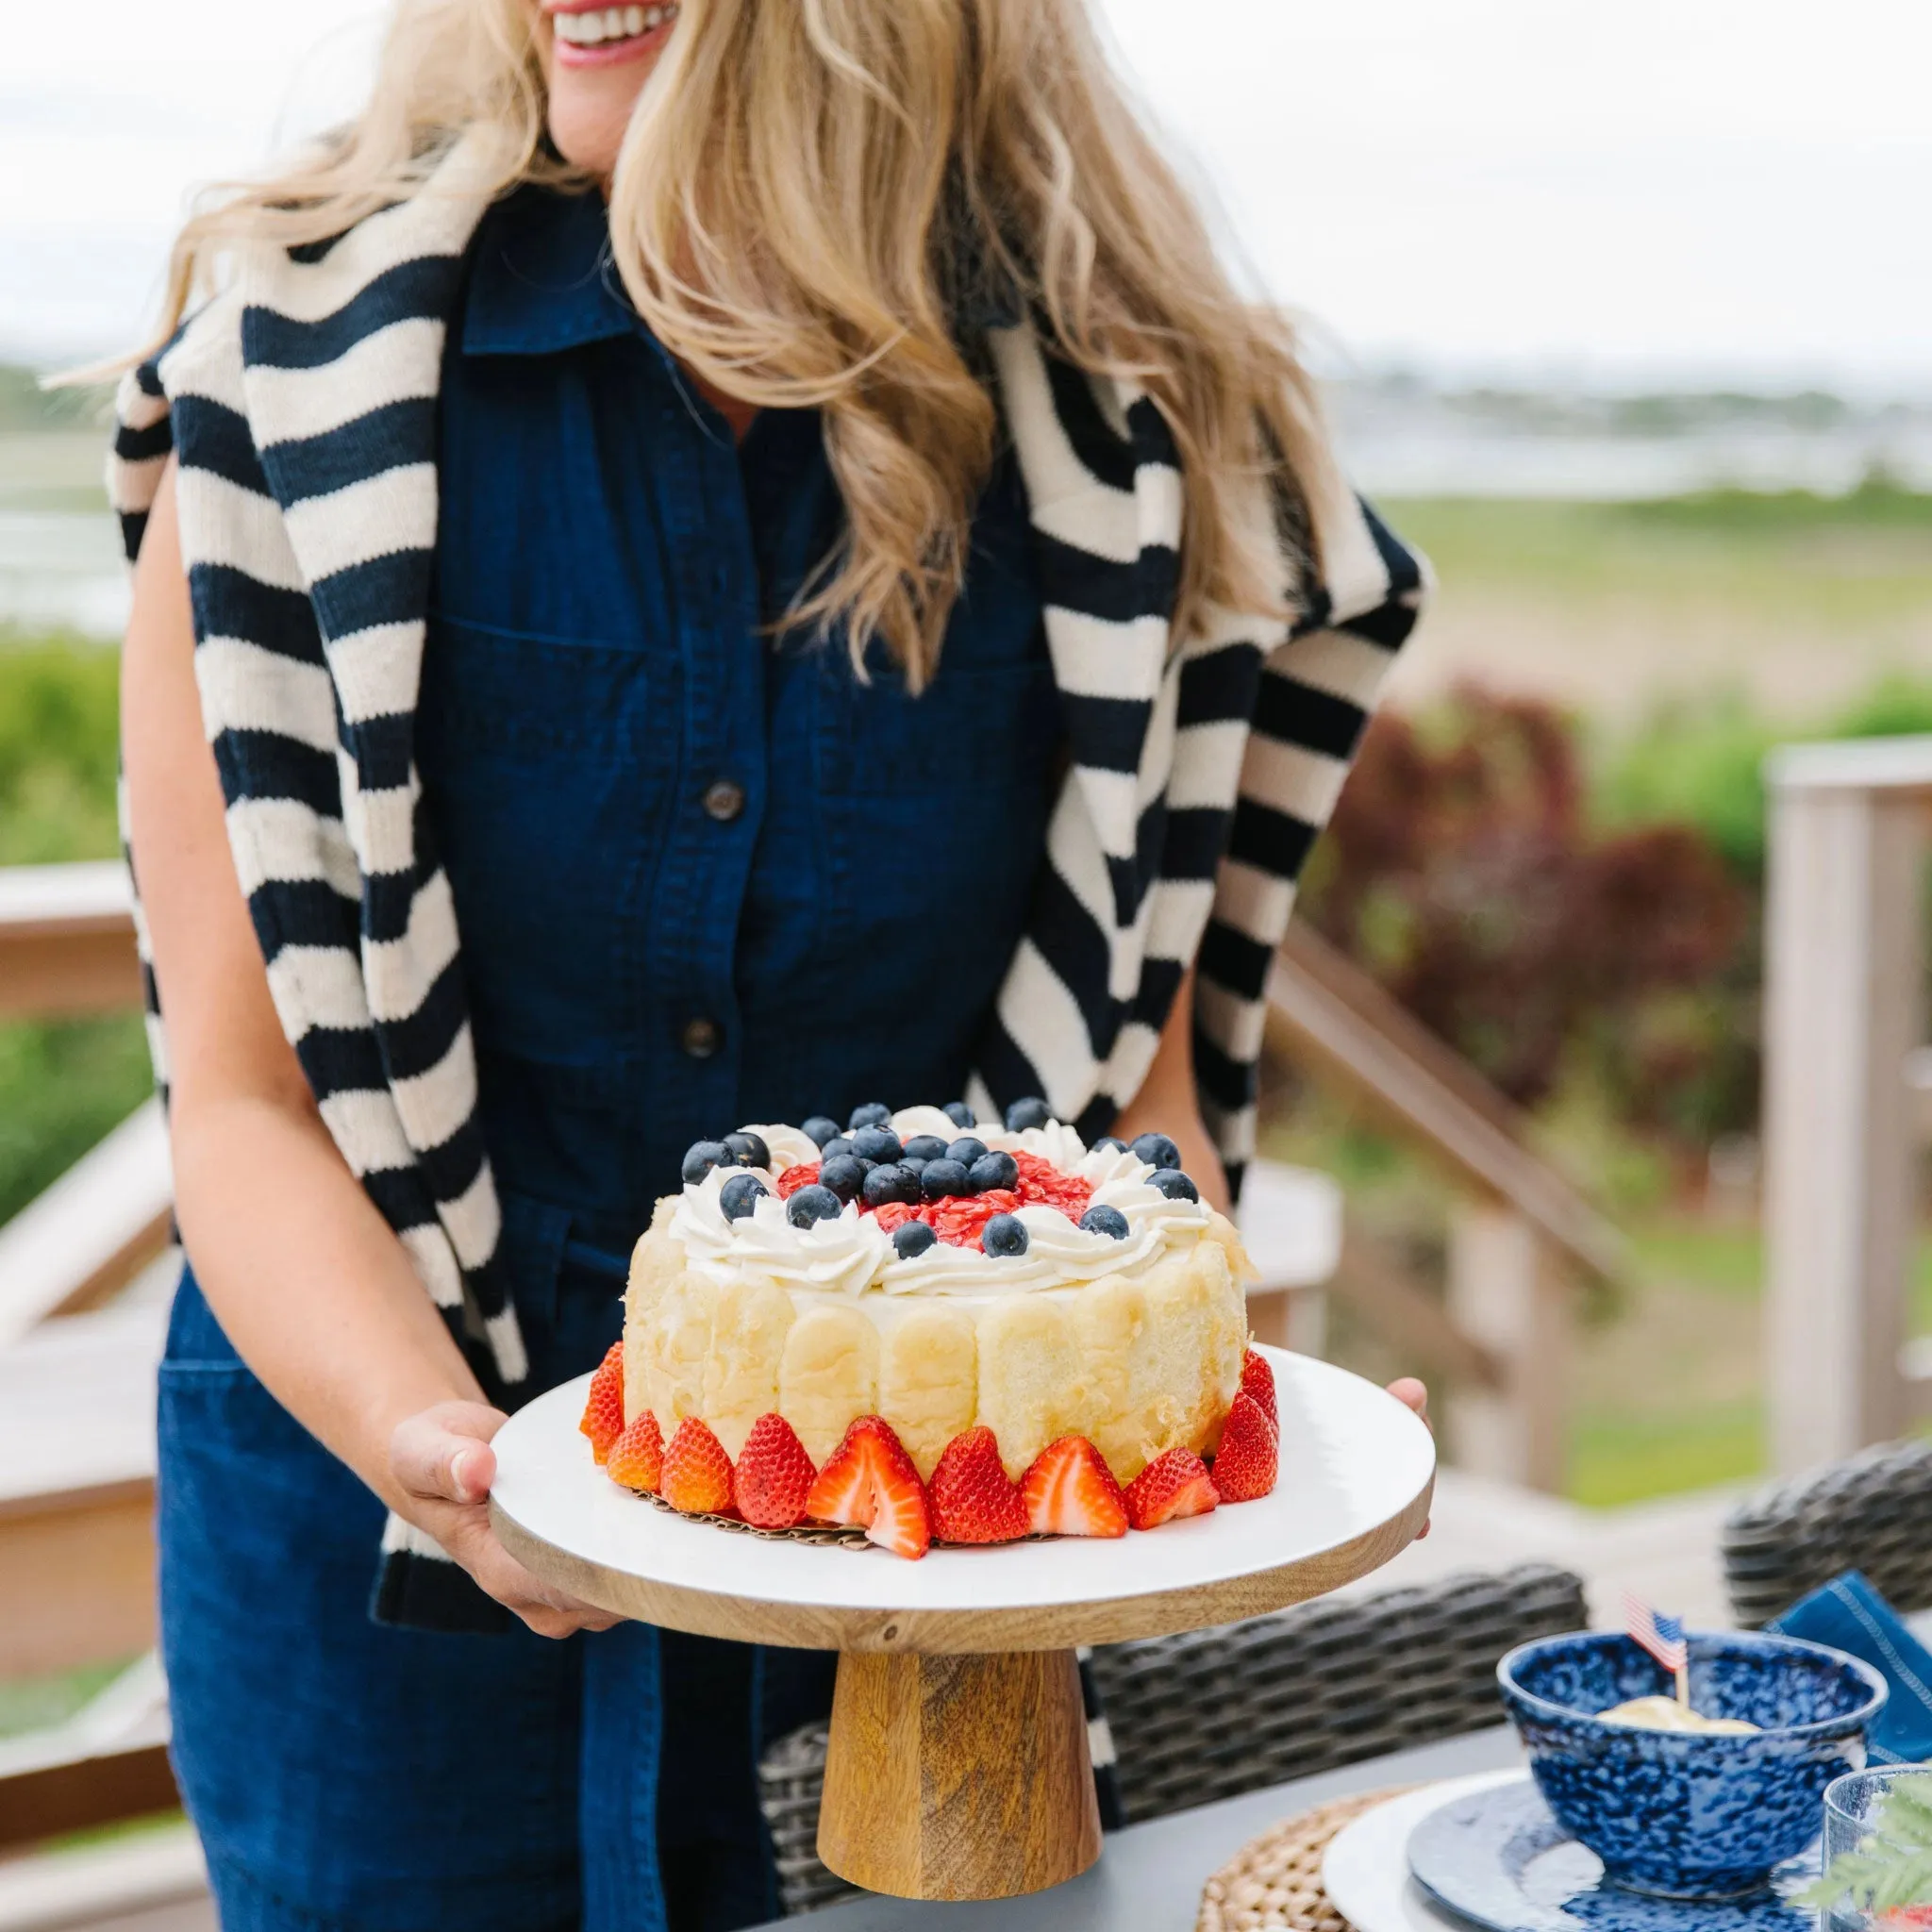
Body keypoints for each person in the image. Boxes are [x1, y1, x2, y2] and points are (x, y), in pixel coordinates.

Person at [113, 2, 1432, 1926]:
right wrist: (437, 1447)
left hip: (933, 1536)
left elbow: (1123, 1092)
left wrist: (1196, 1401)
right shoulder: (295, 401)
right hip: (366, 1510)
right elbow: (239, 1098)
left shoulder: (1128, 454)